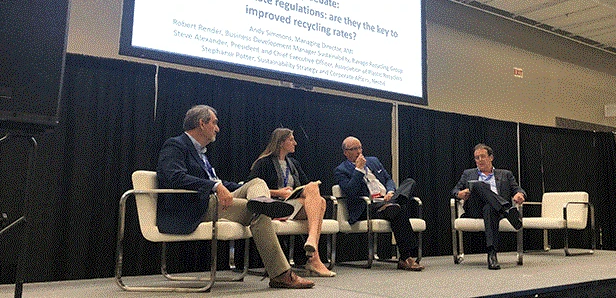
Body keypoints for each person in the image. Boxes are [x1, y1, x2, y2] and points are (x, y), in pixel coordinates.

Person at [156, 105, 314, 289]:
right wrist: (215, 186)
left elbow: (217, 181)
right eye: (214, 123)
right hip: (193, 207)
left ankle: (262, 202)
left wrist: (239, 187)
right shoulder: (176, 145)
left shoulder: (201, 153)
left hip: (213, 201)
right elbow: (174, 176)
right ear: (201, 123)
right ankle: (280, 274)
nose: (218, 128)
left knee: (256, 182)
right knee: (259, 213)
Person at [248, 128, 336, 277]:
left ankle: (312, 243)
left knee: (316, 193)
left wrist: (296, 192)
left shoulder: (293, 163)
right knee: (320, 202)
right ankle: (314, 257)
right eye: (291, 139)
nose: (295, 143)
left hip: (291, 206)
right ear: (281, 142)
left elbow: (305, 186)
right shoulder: (263, 163)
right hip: (274, 207)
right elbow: (250, 188)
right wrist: (279, 192)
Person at [334, 136, 424, 271]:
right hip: (367, 206)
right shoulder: (341, 170)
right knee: (398, 209)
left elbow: (388, 179)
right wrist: (358, 170)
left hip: (386, 201)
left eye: (360, 148)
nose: (359, 152)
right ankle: (406, 257)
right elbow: (351, 191)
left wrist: (391, 191)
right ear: (346, 152)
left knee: (409, 182)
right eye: (354, 149)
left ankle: (395, 201)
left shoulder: (373, 161)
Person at [452, 143, 526, 270]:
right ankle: (507, 210)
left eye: (482, 156)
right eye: (476, 158)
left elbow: (518, 189)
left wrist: (520, 194)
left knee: (489, 208)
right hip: (475, 209)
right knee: (479, 185)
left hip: (494, 211)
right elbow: (454, 190)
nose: (479, 160)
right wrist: (459, 194)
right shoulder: (468, 173)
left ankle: (492, 254)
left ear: (491, 157)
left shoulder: (505, 174)